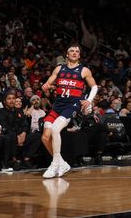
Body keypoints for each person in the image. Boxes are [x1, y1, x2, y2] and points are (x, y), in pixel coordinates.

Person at [40, 43, 97, 178]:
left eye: (77, 51)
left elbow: (94, 87)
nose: (74, 53)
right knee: (45, 136)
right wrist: (46, 86)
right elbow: (48, 83)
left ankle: (55, 164)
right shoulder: (59, 69)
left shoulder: (84, 70)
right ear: (67, 54)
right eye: (71, 50)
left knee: (55, 129)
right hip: (58, 105)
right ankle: (62, 163)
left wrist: (89, 100)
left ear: (79, 55)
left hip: (72, 105)